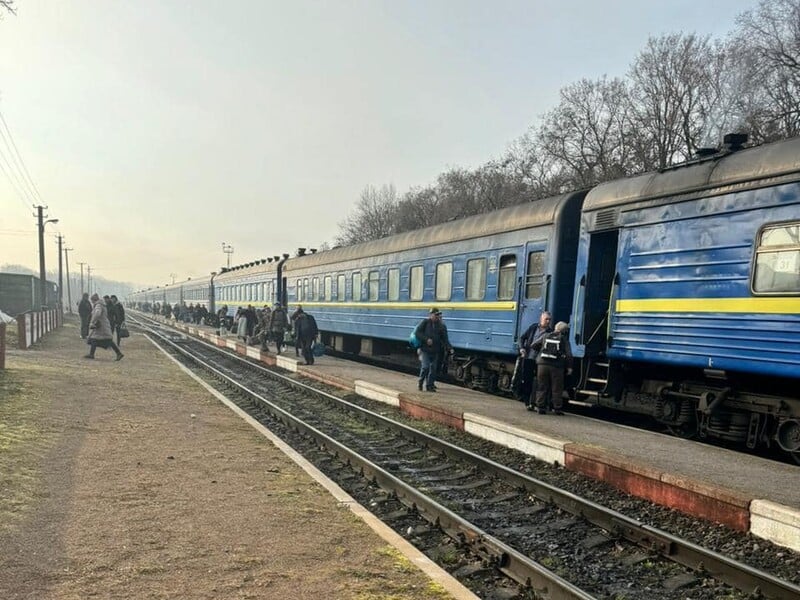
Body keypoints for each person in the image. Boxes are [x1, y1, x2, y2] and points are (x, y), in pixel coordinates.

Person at [534, 321, 573, 415]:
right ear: (564, 331)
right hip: (557, 367)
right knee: (557, 388)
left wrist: (541, 352)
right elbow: (569, 355)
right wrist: (569, 367)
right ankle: (557, 408)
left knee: (542, 386)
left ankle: (540, 407)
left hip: (542, 365)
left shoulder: (545, 336)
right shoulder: (563, 339)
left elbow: (533, 345)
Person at [518, 311, 553, 410]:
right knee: (527, 380)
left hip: (540, 361)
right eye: (546, 319)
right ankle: (527, 401)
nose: (548, 321)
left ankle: (536, 403)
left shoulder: (550, 332)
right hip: (529, 358)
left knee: (539, 382)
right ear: (541, 319)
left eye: (549, 320)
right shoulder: (533, 328)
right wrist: (522, 348)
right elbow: (522, 338)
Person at [414, 307, 452, 392]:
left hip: (435, 351)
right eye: (436, 315)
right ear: (431, 315)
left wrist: (450, 348)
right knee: (426, 367)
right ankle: (420, 382)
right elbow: (417, 333)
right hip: (425, 350)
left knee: (433, 369)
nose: (437, 317)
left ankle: (429, 386)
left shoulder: (440, 326)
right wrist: (426, 339)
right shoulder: (425, 322)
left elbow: (444, 339)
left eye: (438, 315)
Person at [84, 293, 124, 361]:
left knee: (103, 340)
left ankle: (118, 353)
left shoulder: (98, 305)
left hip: (101, 326)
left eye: (92, 301)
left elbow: (97, 313)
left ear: (94, 300)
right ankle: (92, 354)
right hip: (102, 325)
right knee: (95, 339)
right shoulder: (101, 304)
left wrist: (92, 321)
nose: (92, 302)